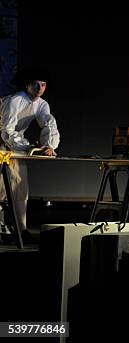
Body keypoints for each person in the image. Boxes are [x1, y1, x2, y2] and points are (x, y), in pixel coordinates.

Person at [0, 70, 60, 243]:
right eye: (36, 84)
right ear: (27, 85)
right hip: (4, 141)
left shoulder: (42, 104)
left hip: (15, 145)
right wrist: (27, 146)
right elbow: (7, 130)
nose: (40, 88)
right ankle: (2, 229)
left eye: (43, 84)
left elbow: (49, 123)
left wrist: (49, 145)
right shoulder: (15, 100)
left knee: (20, 186)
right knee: (1, 188)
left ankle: (21, 228)